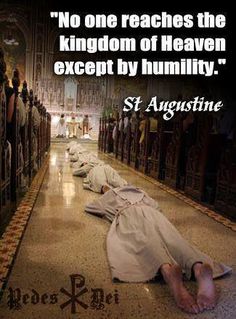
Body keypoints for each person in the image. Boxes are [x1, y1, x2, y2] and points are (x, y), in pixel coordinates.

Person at [85, 185, 232, 314]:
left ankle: (167, 270)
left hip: (127, 213)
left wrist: (106, 203)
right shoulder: (142, 194)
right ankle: (198, 268)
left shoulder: (110, 195)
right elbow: (157, 207)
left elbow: (90, 207)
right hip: (154, 215)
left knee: (146, 241)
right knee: (174, 240)